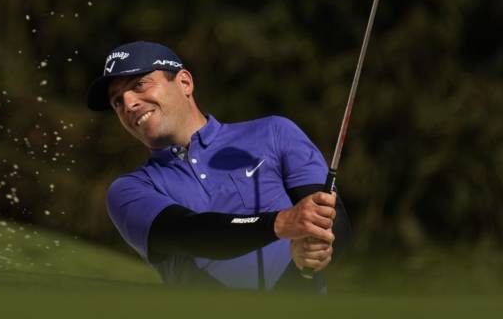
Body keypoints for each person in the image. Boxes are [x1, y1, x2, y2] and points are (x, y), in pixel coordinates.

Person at [87, 41, 350, 291]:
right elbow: (187, 233)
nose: (129, 104)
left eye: (139, 85)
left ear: (185, 82)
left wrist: (311, 257)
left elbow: (331, 218)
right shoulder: (129, 190)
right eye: (117, 101)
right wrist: (280, 223)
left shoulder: (274, 132)